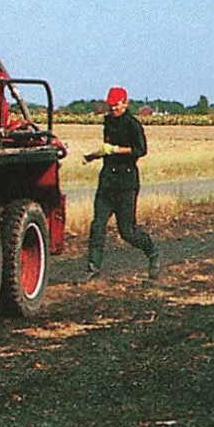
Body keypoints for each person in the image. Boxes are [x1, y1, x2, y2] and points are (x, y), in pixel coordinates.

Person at [83, 86, 160, 281]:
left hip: (126, 183)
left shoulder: (132, 125)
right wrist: (93, 155)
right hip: (107, 181)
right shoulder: (107, 122)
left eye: (116, 105)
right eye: (110, 106)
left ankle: (152, 252)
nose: (113, 109)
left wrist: (117, 150)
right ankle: (92, 270)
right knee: (97, 226)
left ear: (125, 103)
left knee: (127, 232)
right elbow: (106, 149)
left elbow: (140, 150)